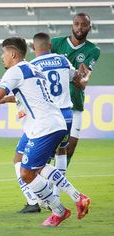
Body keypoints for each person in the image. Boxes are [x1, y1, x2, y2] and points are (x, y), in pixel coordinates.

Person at [0, 37, 91, 227]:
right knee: (36, 166)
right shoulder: (33, 69)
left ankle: (60, 210)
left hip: (44, 127)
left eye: (3, 53)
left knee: (26, 173)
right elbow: (29, 96)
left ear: (13, 54)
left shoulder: (15, 71)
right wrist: (3, 101)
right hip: (53, 123)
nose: (2, 57)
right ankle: (77, 198)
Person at [0, 32, 87, 213]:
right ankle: (62, 198)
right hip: (64, 114)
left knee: (23, 164)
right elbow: (79, 82)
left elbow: (32, 95)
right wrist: (86, 76)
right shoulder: (60, 60)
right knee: (54, 157)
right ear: (50, 45)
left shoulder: (30, 66)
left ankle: (44, 202)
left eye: (3, 53)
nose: (1, 57)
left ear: (34, 48)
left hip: (43, 120)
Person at [51, 12, 100, 167]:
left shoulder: (93, 50)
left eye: (84, 24)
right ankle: (43, 184)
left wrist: (82, 80)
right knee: (51, 147)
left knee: (69, 148)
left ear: (89, 28)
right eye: (77, 24)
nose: (80, 27)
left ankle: (55, 186)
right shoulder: (56, 43)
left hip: (75, 104)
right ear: (72, 25)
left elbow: (84, 79)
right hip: (54, 104)